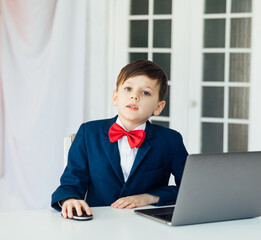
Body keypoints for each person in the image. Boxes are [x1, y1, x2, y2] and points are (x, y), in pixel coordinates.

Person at [51, 60, 188, 219]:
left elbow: (190, 189)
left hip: (148, 224)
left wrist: (150, 197)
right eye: (128, 88)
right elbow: (70, 183)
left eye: (145, 93)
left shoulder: (171, 140)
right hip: (98, 223)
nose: (134, 96)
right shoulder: (88, 133)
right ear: (115, 97)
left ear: (158, 107)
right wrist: (70, 199)